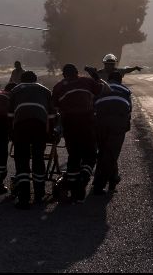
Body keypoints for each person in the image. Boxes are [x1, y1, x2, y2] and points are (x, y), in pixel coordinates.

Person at [51, 63, 106, 202]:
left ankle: (72, 184)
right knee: (90, 155)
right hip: (87, 122)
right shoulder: (86, 81)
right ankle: (83, 178)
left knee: (74, 155)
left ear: (63, 74)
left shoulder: (58, 87)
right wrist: (95, 75)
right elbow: (104, 89)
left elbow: (54, 108)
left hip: (69, 125)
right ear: (77, 72)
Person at [8, 71, 55, 209]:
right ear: (35, 80)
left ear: (21, 80)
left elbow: (10, 115)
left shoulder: (15, 90)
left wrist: (11, 133)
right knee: (38, 158)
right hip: (39, 127)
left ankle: (24, 197)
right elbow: (52, 116)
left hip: (21, 127)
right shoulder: (45, 91)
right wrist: (50, 133)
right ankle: (39, 194)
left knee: (22, 160)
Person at [92, 71, 131, 195]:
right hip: (118, 122)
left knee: (103, 151)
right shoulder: (126, 90)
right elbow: (129, 110)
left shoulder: (101, 88)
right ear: (121, 80)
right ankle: (99, 186)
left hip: (100, 121)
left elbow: (93, 105)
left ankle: (113, 179)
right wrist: (125, 127)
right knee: (111, 153)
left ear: (108, 79)